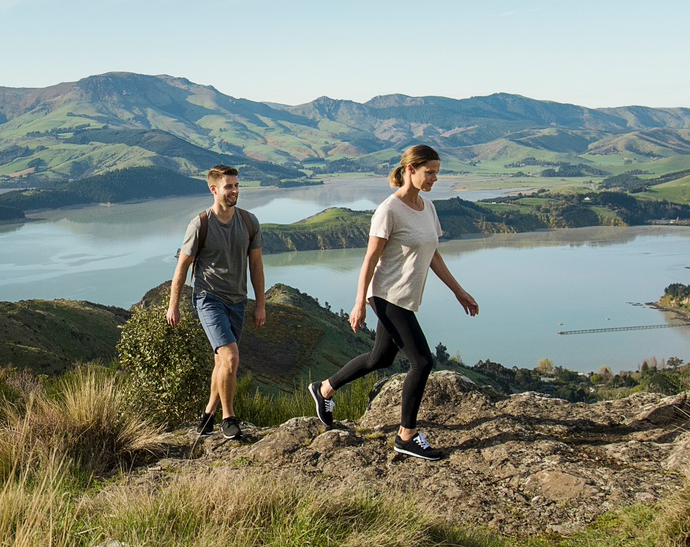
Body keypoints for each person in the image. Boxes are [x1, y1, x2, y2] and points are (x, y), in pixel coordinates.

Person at [307, 144, 478, 460]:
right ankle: (406, 436)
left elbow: (433, 254)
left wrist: (459, 290)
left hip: (405, 296)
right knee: (422, 361)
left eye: (437, 172)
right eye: (430, 172)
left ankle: (324, 389)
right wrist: (359, 302)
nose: (434, 178)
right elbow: (370, 259)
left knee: (380, 358)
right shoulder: (388, 210)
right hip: (386, 296)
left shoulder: (426, 207)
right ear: (410, 170)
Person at [166, 164, 267, 440]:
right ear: (214, 189)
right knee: (231, 358)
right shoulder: (200, 224)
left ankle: (207, 415)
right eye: (229, 186)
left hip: (238, 301)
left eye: (236, 185)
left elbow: (256, 265)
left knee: (222, 363)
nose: (235, 191)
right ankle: (228, 418)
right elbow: (182, 267)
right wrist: (173, 304)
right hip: (208, 299)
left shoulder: (249, 222)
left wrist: (261, 304)